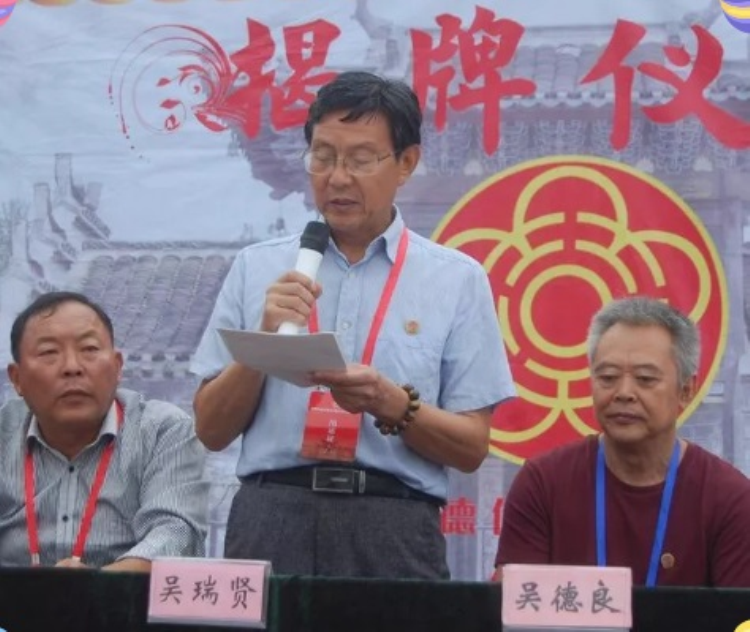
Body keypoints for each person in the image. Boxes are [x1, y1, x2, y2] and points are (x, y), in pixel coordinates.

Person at [191, 71, 515, 579]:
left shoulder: (456, 279)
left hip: (394, 526)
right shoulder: (257, 267)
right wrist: (263, 341)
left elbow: (472, 447)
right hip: (271, 517)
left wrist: (392, 403)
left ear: (406, 163)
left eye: (361, 160)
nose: (337, 178)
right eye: (322, 157)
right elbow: (211, 430)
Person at [494, 296, 750, 587]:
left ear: (686, 390)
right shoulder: (542, 484)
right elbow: (514, 604)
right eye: (608, 377)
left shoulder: (729, 499)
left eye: (645, 379)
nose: (624, 392)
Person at [0, 291, 208, 571]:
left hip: (127, 596)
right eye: (49, 352)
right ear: (17, 379)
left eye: (89, 349)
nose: (72, 367)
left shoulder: (163, 430)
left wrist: (97, 585)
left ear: (117, 367)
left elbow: (176, 535)